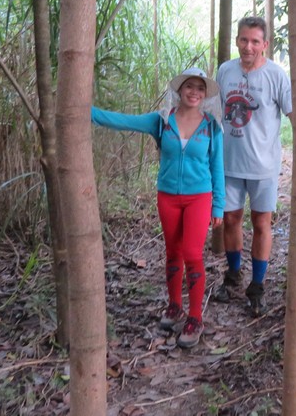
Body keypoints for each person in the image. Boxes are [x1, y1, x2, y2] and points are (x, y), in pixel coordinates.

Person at [91, 67, 224, 348]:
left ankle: (195, 318)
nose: (194, 93)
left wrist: (218, 206)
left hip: (199, 198)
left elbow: (217, 166)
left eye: (200, 88)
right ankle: (175, 306)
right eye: (189, 87)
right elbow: (123, 121)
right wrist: (86, 112)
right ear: (180, 90)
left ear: (205, 94)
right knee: (173, 252)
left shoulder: (211, 125)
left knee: (192, 253)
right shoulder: (162, 120)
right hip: (168, 197)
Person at [213, 16, 296, 317]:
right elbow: (213, 114)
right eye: (243, 40)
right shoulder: (225, 71)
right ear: (237, 40)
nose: (248, 46)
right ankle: (233, 275)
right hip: (229, 164)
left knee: (262, 223)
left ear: (265, 44)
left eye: (255, 41)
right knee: (231, 220)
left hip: (263, 166)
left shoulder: (276, 75)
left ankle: (257, 286)